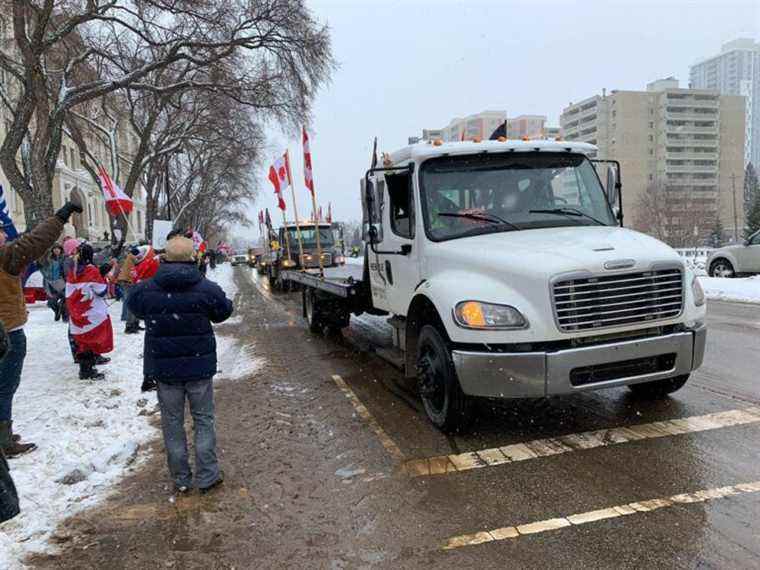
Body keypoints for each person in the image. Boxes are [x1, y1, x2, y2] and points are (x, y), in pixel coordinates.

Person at [128, 236, 233, 494]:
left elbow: (135, 306)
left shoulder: (148, 289)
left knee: (172, 423)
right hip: (199, 366)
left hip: (165, 370)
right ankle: (208, 475)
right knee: (204, 420)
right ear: (193, 259)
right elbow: (223, 311)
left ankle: (181, 478)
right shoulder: (206, 288)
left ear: (163, 258)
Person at [0, 200, 83, 456]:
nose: (5, 234)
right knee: (5, 386)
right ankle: (3, 439)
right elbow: (36, 241)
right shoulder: (5, 257)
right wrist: (61, 216)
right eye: (0, 230)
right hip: (6, 333)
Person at [66, 242, 114, 380]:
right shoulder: (90, 271)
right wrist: (103, 276)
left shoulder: (73, 271)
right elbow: (101, 291)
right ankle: (88, 370)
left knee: (82, 342)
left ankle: (84, 369)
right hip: (92, 312)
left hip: (77, 312)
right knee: (92, 340)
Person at [39, 244, 67, 321]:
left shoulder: (65, 258)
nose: (56, 250)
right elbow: (42, 268)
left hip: (62, 282)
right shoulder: (48, 259)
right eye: (55, 248)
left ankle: (65, 316)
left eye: (58, 248)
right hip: (50, 283)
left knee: (65, 300)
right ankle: (57, 310)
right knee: (51, 302)